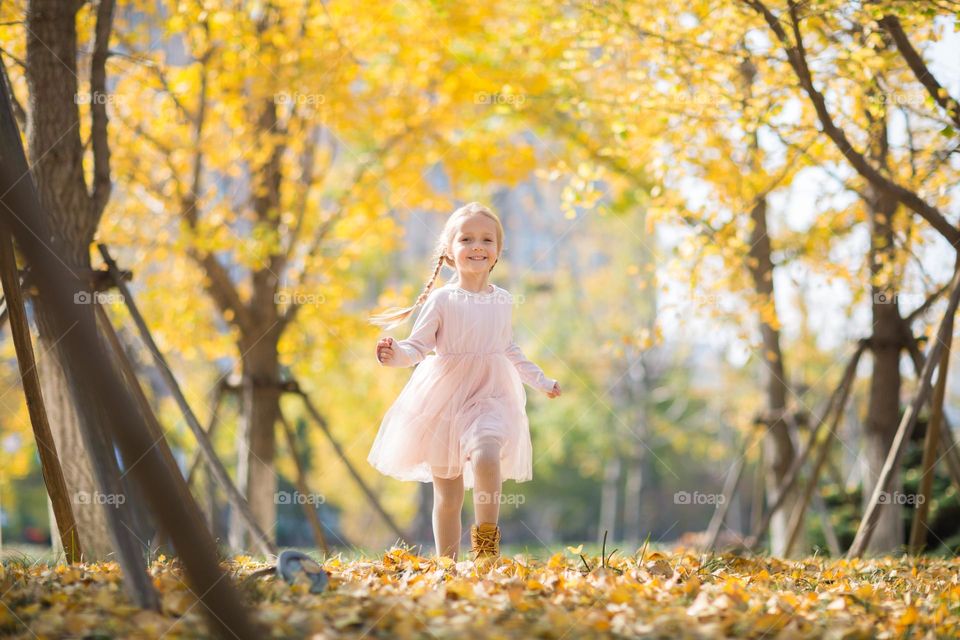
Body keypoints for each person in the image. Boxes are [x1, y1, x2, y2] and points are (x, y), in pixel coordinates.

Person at [368, 202, 561, 570]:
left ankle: (486, 553)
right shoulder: (442, 299)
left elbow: (508, 348)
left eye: (487, 239)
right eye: (467, 238)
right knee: (449, 493)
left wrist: (541, 381)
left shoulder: (502, 300)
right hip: (443, 401)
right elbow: (417, 348)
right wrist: (393, 355)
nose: (477, 245)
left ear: (497, 253)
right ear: (449, 252)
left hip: (490, 396)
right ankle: (448, 566)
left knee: (488, 455)